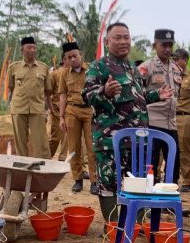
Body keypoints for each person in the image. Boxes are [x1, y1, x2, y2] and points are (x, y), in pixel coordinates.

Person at [82, 22, 174, 221]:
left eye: (126, 37)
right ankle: (114, 227)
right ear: (107, 42)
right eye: (118, 38)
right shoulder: (99, 67)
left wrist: (156, 95)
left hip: (137, 142)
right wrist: (104, 92)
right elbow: (87, 95)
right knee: (109, 184)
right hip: (110, 141)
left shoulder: (132, 68)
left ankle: (135, 224)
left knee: (135, 183)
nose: (123, 41)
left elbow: (136, 99)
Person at [138, 29, 182, 185]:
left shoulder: (177, 69)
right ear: (154, 45)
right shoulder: (146, 67)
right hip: (153, 124)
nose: (168, 49)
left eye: (170, 45)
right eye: (164, 45)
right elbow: (136, 95)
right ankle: (150, 202)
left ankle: (168, 202)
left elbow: (177, 96)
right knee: (151, 164)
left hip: (172, 124)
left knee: (174, 163)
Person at [59, 39, 98, 195]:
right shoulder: (64, 73)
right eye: (69, 57)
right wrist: (61, 117)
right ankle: (78, 179)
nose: (72, 60)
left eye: (74, 56)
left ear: (80, 55)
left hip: (89, 111)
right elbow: (62, 95)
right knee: (74, 147)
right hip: (72, 111)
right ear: (66, 59)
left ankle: (95, 181)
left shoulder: (91, 70)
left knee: (92, 148)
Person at [8, 36, 52, 159]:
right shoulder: (13, 67)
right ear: (22, 49)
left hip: (37, 109)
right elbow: (11, 87)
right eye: (29, 47)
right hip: (18, 109)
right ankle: (22, 170)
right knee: (20, 143)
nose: (32, 50)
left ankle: (43, 170)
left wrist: (48, 110)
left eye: (34, 47)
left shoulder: (44, 68)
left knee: (41, 143)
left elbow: (48, 91)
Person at [173, 48, 190, 193]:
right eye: (174, 59)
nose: (176, 62)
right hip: (168, 116)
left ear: (186, 60)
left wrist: (188, 109)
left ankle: (186, 181)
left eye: (179, 59)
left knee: (184, 148)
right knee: (167, 148)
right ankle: (165, 178)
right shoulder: (169, 75)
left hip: (184, 116)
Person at [48, 55, 69, 161]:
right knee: (55, 138)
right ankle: (46, 157)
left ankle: (62, 159)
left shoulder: (76, 73)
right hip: (57, 110)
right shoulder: (55, 74)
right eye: (69, 58)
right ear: (64, 59)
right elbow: (47, 93)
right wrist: (51, 109)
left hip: (71, 110)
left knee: (67, 137)